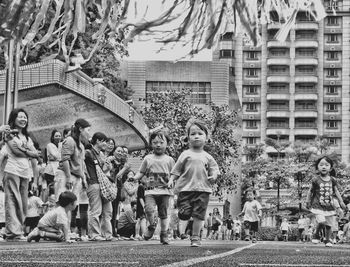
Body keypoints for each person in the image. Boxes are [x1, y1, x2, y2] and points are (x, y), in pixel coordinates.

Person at [168, 119, 220, 247]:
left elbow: (215, 170)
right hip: (185, 189)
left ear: (206, 137)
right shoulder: (185, 154)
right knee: (184, 214)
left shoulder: (208, 156)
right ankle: (183, 220)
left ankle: (195, 237)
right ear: (188, 138)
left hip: (203, 190)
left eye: (200, 133)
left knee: (199, 215)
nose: (196, 136)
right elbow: (177, 170)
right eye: (193, 133)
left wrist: (213, 176)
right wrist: (171, 180)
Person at [3, 108, 40, 241]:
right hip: (12, 170)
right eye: (20, 117)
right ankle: (13, 232)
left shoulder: (27, 137)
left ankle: (16, 231)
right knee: (12, 201)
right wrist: (31, 153)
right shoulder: (9, 134)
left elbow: (35, 154)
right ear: (13, 119)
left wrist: (35, 180)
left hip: (25, 173)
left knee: (23, 203)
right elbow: (16, 151)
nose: (23, 119)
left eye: (25, 117)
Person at [133, 130, 175, 245]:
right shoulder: (148, 158)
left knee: (164, 213)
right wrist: (134, 178)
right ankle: (151, 226)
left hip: (165, 191)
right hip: (150, 191)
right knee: (149, 209)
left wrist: (171, 181)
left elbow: (174, 174)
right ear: (151, 143)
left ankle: (164, 233)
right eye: (155, 142)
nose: (158, 145)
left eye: (161, 142)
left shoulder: (170, 160)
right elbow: (141, 172)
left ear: (167, 143)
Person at [55, 118, 90, 236]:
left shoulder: (81, 145)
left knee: (72, 205)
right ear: (80, 129)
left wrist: (83, 178)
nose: (88, 133)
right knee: (62, 203)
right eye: (87, 130)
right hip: (66, 175)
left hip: (77, 176)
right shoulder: (69, 140)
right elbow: (65, 159)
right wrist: (69, 177)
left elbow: (81, 164)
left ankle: (67, 230)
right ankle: (59, 230)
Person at [306, 155, 346, 247]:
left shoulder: (332, 180)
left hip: (329, 206)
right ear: (317, 167)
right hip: (317, 205)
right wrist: (307, 201)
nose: (324, 167)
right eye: (321, 165)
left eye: (326, 165)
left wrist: (341, 201)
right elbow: (310, 191)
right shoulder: (316, 179)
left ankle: (327, 240)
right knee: (321, 222)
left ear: (330, 168)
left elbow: (336, 191)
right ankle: (316, 235)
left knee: (329, 225)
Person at [85, 132, 114, 241]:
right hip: (93, 183)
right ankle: (94, 234)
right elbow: (82, 164)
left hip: (102, 184)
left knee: (107, 211)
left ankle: (107, 234)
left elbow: (103, 171)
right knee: (96, 210)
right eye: (104, 141)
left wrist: (107, 165)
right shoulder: (88, 153)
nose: (105, 144)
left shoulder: (100, 154)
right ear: (97, 141)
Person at [109, 145, 130, 237]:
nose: (123, 153)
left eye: (125, 152)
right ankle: (110, 231)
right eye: (120, 151)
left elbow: (123, 179)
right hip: (110, 187)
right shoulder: (111, 161)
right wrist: (124, 168)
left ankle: (113, 230)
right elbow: (116, 176)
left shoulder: (123, 164)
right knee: (109, 210)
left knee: (115, 211)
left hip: (118, 188)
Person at [42, 129, 61, 202]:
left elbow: (58, 157)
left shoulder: (61, 145)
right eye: (56, 136)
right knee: (50, 188)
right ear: (53, 137)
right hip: (50, 170)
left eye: (59, 136)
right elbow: (56, 156)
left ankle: (54, 203)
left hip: (58, 170)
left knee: (57, 188)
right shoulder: (49, 145)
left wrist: (55, 158)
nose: (58, 137)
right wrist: (57, 157)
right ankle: (45, 203)